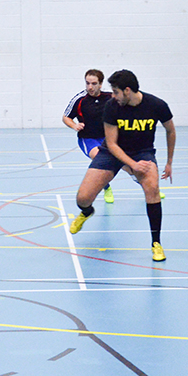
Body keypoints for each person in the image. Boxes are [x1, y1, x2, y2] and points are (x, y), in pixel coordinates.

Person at [69, 69, 176, 262]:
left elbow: (170, 130)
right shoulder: (112, 106)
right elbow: (111, 144)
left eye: (116, 91)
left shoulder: (156, 105)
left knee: (152, 189)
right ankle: (87, 211)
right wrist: (133, 165)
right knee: (82, 198)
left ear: (127, 90)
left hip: (142, 152)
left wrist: (169, 163)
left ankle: (156, 243)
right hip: (111, 153)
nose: (113, 95)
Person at [63, 69, 116, 203]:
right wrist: (74, 125)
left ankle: (149, 188)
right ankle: (107, 188)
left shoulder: (110, 97)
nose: (90, 87)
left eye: (94, 83)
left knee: (128, 165)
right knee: (99, 159)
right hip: (88, 139)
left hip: (108, 138)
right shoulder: (80, 99)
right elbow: (66, 117)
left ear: (101, 84)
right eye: (87, 83)